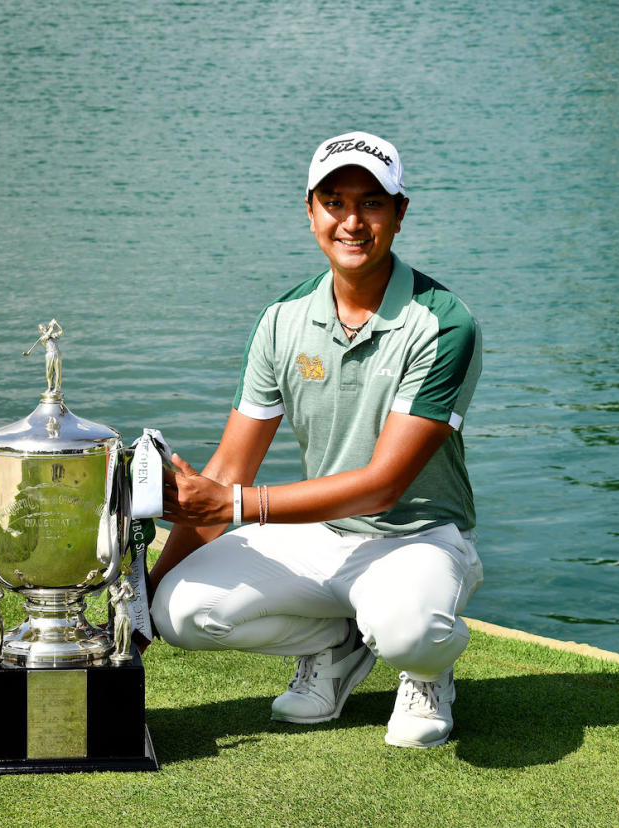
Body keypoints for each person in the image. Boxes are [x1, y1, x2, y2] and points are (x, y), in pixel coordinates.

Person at [151, 131, 483, 748]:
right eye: (334, 201)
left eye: (372, 203)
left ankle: (426, 672)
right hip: (321, 534)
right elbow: (229, 467)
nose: (351, 221)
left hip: (418, 536)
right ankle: (338, 646)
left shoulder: (443, 323)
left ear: (400, 213)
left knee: (409, 629)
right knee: (178, 611)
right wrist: (144, 600)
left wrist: (238, 506)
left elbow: (385, 484)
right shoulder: (282, 319)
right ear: (310, 212)